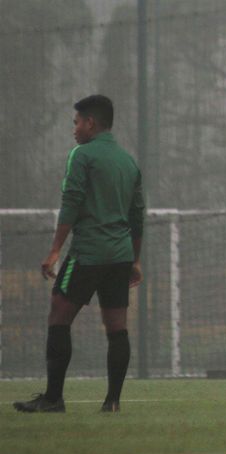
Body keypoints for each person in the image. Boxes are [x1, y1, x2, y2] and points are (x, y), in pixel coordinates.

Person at [14, 95, 145, 413]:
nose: (74, 129)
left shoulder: (82, 155)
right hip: (120, 255)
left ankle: (53, 398)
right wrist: (135, 259)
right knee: (117, 325)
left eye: (76, 122)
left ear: (90, 122)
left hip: (87, 253)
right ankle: (112, 401)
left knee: (59, 311)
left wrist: (56, 249)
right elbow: (137, 213)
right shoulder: (128, 161)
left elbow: (71, 202)